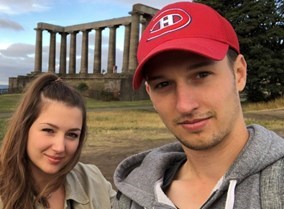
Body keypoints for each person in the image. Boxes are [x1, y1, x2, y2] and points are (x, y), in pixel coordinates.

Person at [113, 2, 284, 209]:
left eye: (202, 75)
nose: (185, 105)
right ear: (150, 94)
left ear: (239, 73)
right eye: (163, 84)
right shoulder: (130, 197)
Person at [0, 73, 115, 209]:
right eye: (48, 130)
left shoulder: (94, 180)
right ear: (24, 128)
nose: (59, 147)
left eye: (72, 134)